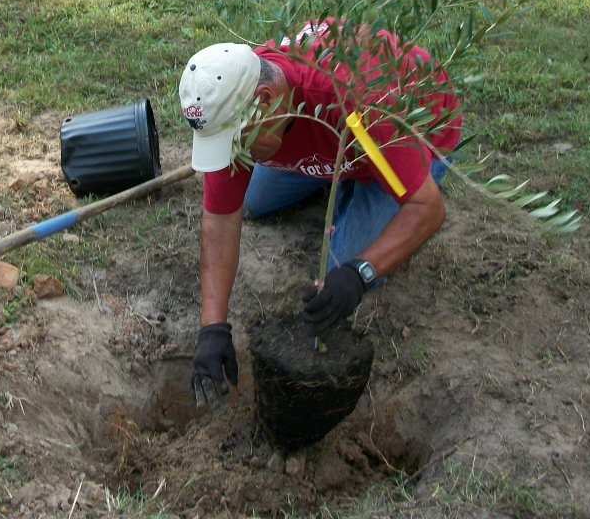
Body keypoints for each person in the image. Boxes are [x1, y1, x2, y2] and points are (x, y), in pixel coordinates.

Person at [178, 20, 462, 407]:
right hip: (336, 136)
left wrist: (359, 274)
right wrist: (211, 327)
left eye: (235, 141)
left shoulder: (359, 99)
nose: (233, 155)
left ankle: (361, 177)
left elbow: (427, 209)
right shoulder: (236, 94)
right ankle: (336, 170)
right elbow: (221, 218)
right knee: (256, 203)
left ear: (265, 101)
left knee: (340, 270)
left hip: (403, 133)